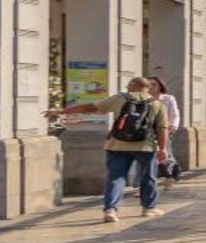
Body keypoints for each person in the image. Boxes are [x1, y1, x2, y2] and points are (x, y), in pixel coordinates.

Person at [64, 77, 164, 222]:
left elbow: (92, 107)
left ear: (133, 85)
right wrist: (162, 148)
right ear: (147, 88)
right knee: (148, 177)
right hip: (145, 146)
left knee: (116, 177)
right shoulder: (156, 103)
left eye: (129, 84)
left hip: (117, 144)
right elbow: (162, 129)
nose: (127, 86)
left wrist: (64, 111)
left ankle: (110, 210)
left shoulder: (119, 98)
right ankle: (148, 209)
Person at [148, 74, 183, 185]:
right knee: (154, 156)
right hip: (149, 131)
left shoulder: (168, 98)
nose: (151, 87)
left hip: (164, 130)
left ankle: (174, 173)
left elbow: (175, 114)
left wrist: (173, 126)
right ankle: (168, 175)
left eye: (154, 84)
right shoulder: (146, 99)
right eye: (148, 84)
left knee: (165, 153)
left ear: (160, 86)